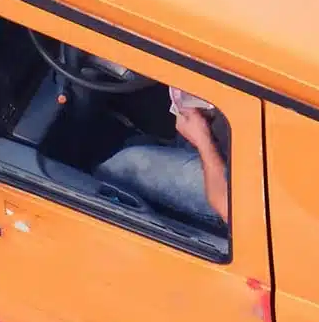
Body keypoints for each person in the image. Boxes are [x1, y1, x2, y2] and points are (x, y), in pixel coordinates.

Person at [88, 87, 230, 232]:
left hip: (230, 194)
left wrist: (202, 138)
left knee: (125, 166)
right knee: (138, 142)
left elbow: (228, 207)